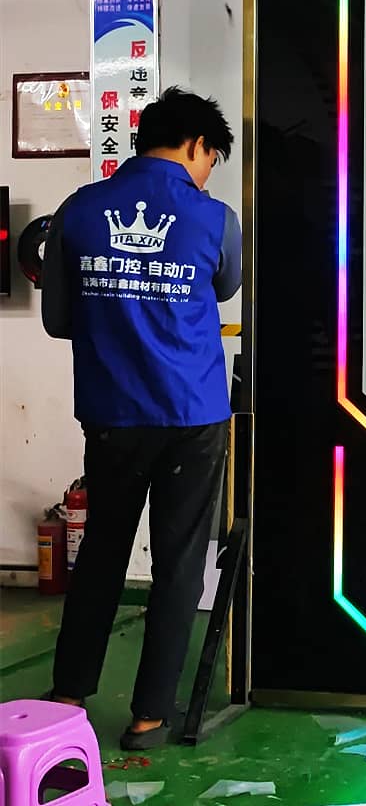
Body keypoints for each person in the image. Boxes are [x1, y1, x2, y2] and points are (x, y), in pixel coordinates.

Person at [40, 87, 241, 749]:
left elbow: (58, 319)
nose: (207, 172)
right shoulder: (214, 219)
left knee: (101, 550)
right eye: (210, 158)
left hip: (113, 413)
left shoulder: (77, 210)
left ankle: (68, 694)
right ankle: (150, 714)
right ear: (196, 145)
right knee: (179, 563)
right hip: (193, 415)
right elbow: (226, 285)